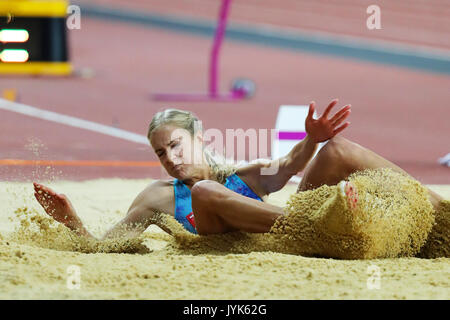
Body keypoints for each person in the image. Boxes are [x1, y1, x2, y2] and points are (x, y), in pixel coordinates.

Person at [33, 99, 443, 241]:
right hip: (296, 238)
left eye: (176, 144)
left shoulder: (241, 176)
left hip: (293, 233)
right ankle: (322, 221)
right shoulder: (157, 198)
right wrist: (71, 221)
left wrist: (313, 139)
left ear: (200, 138)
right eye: (161, 153)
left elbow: (291, 166)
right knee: (204, 194)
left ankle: (439, 212)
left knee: (337, 149)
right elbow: (109, 249)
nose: (171, 158)